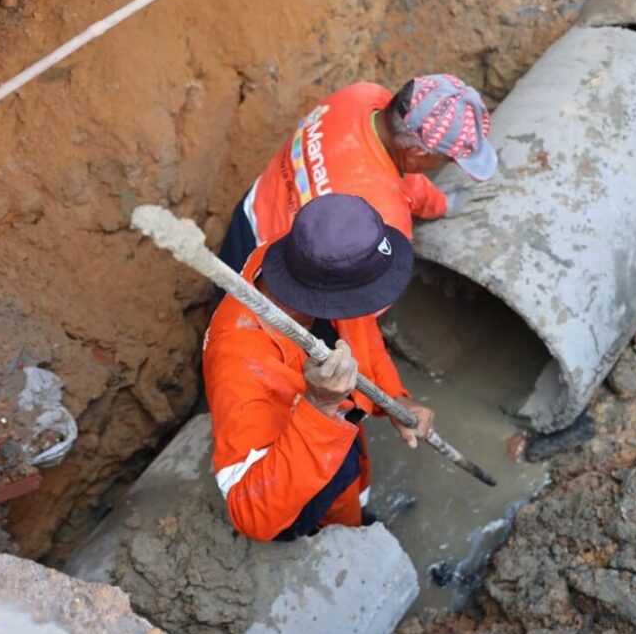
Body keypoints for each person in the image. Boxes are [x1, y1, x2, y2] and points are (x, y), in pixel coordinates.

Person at [203, 194, 435, 541]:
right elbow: (251, 514)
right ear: (330, 294)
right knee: (323, 518)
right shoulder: (239, 359)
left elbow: (361, 333)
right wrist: (320, 408)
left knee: (348, 486)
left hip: (335, 433)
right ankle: (334, 532)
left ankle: (351, 518)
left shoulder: (301, 257)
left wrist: (395, 399)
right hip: (295, 469)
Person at [216, 74, 497, 287]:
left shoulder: (361, 96)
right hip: (275, 279)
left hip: (251, 214)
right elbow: (365, 303)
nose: (447, 165)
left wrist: (441, 204)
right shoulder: (384, 217)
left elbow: (389, 173)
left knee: (226, 292)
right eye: (448, 159)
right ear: (416, 152)